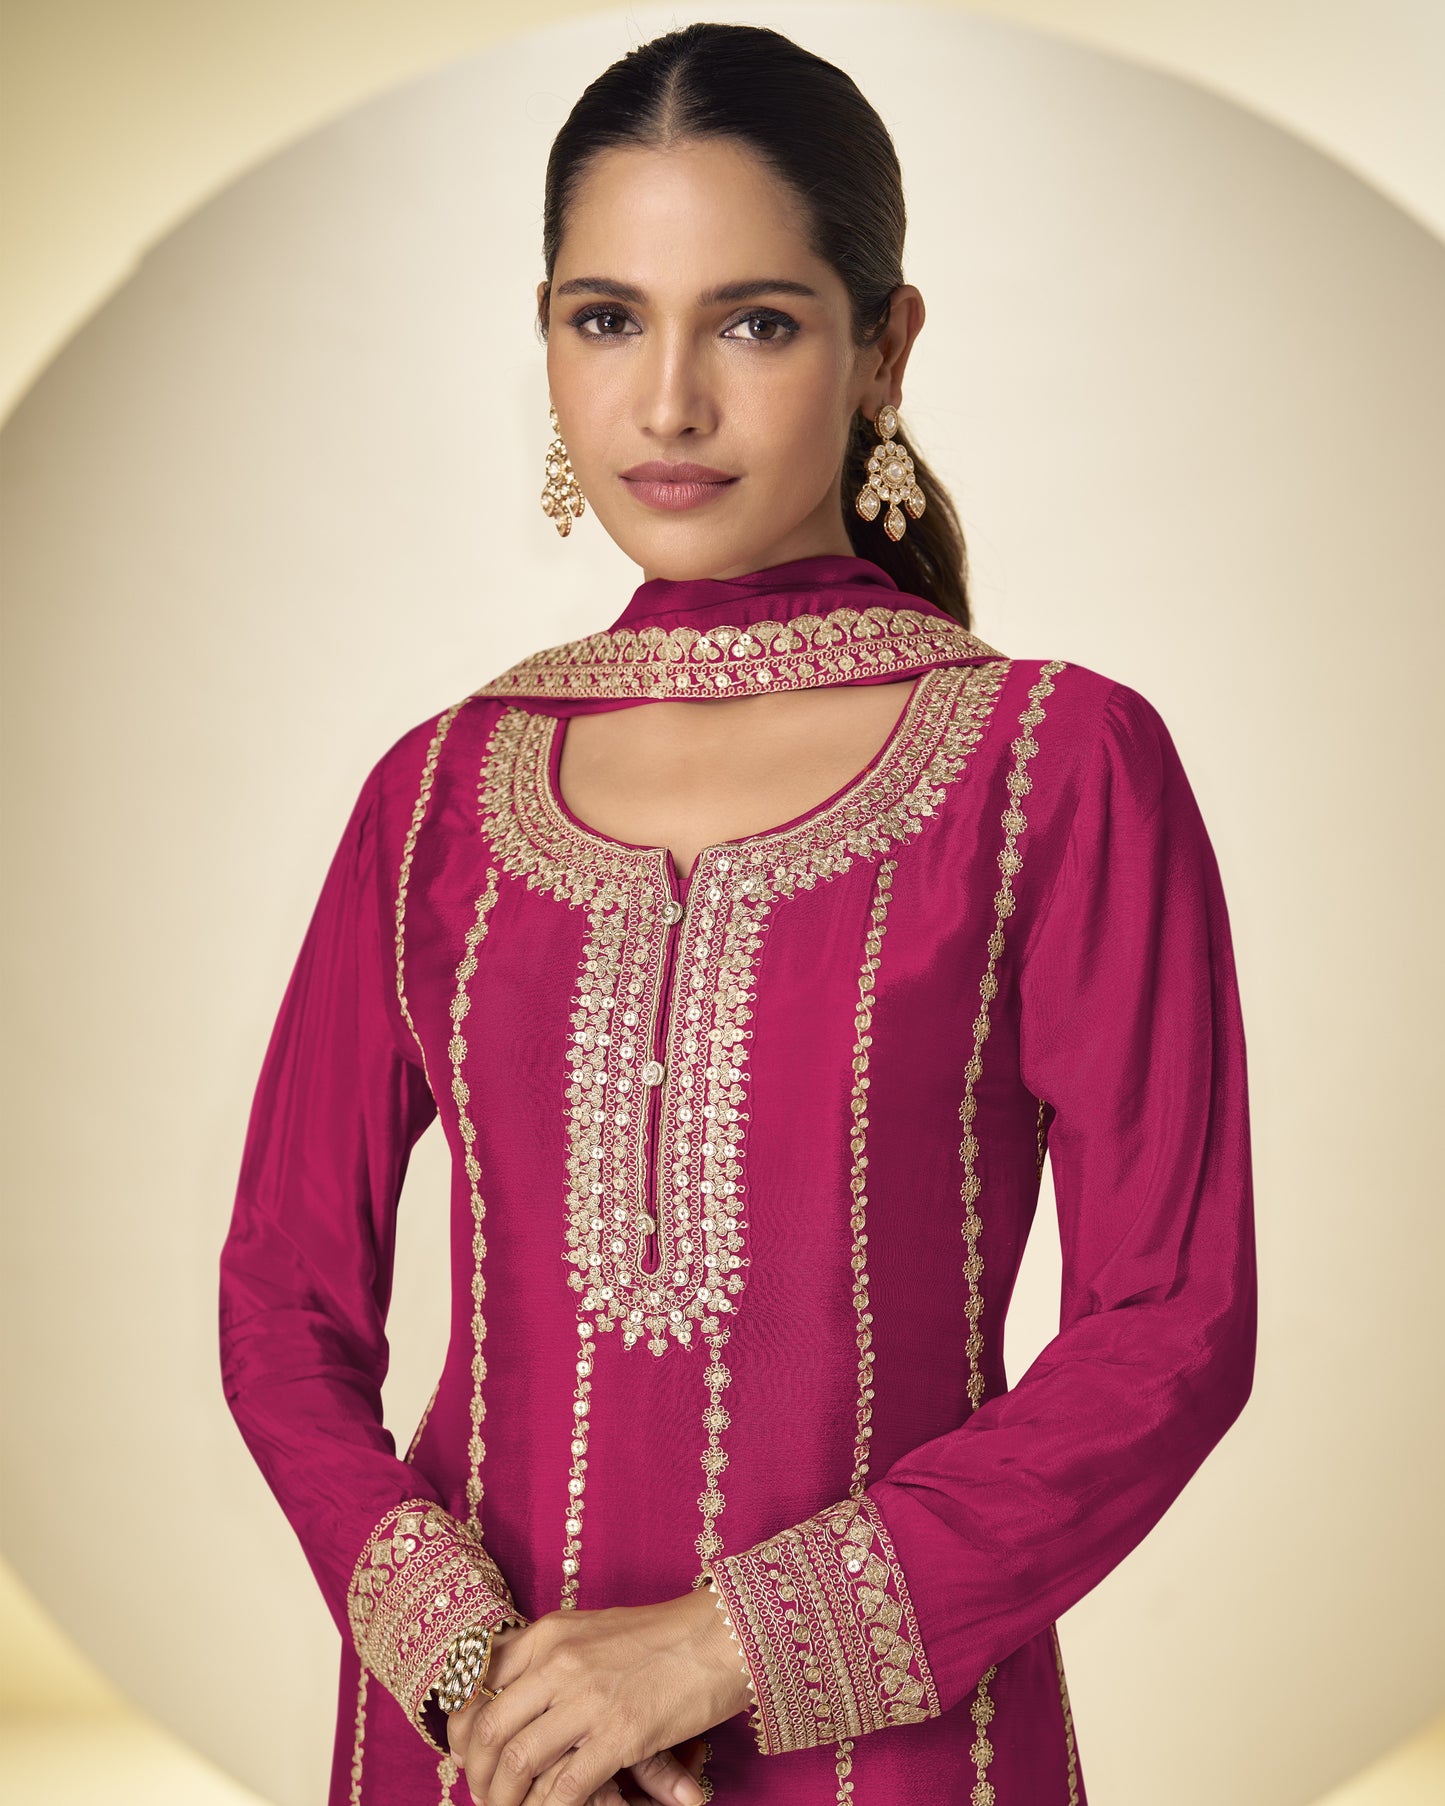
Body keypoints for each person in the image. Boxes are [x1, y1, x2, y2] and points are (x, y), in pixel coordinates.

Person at [218, 21, 1257, 1806]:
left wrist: (709, 1650)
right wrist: (489, 1677)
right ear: (541, 333)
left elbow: (1169, 1323)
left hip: (893, 1748)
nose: (669, 400)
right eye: (605, 318)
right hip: (485, 1752)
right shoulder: (434, 799)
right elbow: (279, 1305)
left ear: (885, 349)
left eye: (756, 321)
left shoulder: (1048, 766)